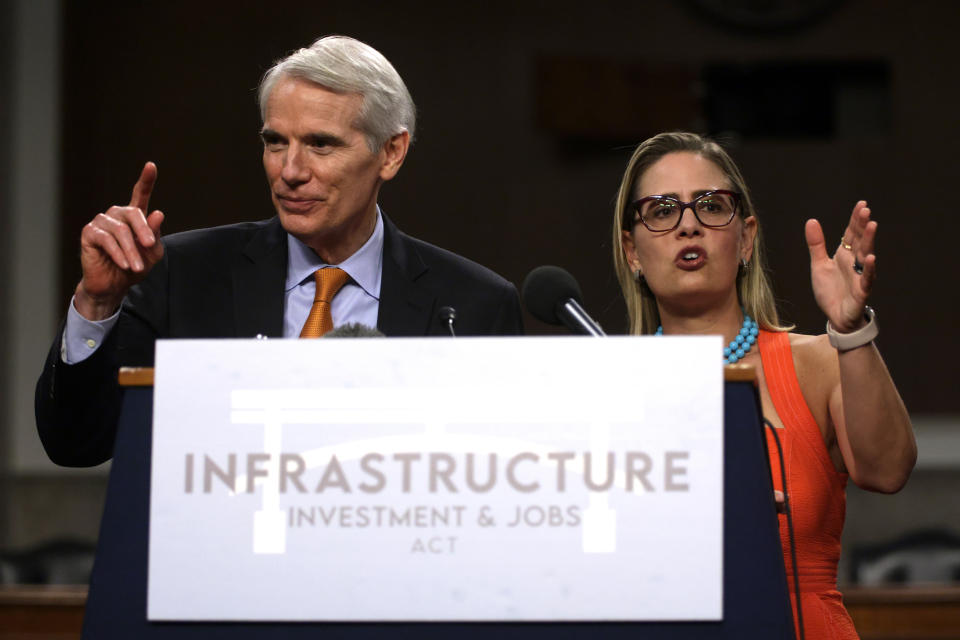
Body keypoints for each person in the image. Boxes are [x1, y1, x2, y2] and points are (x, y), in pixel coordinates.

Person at [36, 35, 522, 468]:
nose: (289, 170)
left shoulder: (474, 305)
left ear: (391, 152)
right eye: (275, 142)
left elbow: (499, 478)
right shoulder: (181, 275)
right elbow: (77, 444)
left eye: (320, 144)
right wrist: (96, 306)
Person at [612, 132, 915, 639]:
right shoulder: (606, 388)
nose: (689, 225)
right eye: (662, 211)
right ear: (632, 250)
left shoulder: (818, 361)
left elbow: (888, 471)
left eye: (711, 206)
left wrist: (850, 329)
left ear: (746, 237)